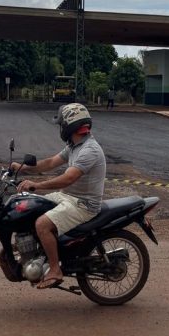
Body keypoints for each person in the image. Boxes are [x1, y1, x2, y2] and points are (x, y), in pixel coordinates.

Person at [12, 103, 107, 289]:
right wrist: (21, 168)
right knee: (28, 205)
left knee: (42, 224)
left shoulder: (90, 150)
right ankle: (33, 251)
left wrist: (37, 185)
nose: (60, 128)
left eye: (61, 124)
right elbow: (49, 163)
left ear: (69, 126)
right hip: (68, 197)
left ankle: (55, 269)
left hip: (83, 204)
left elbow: (68, 179)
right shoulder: (74, 145)